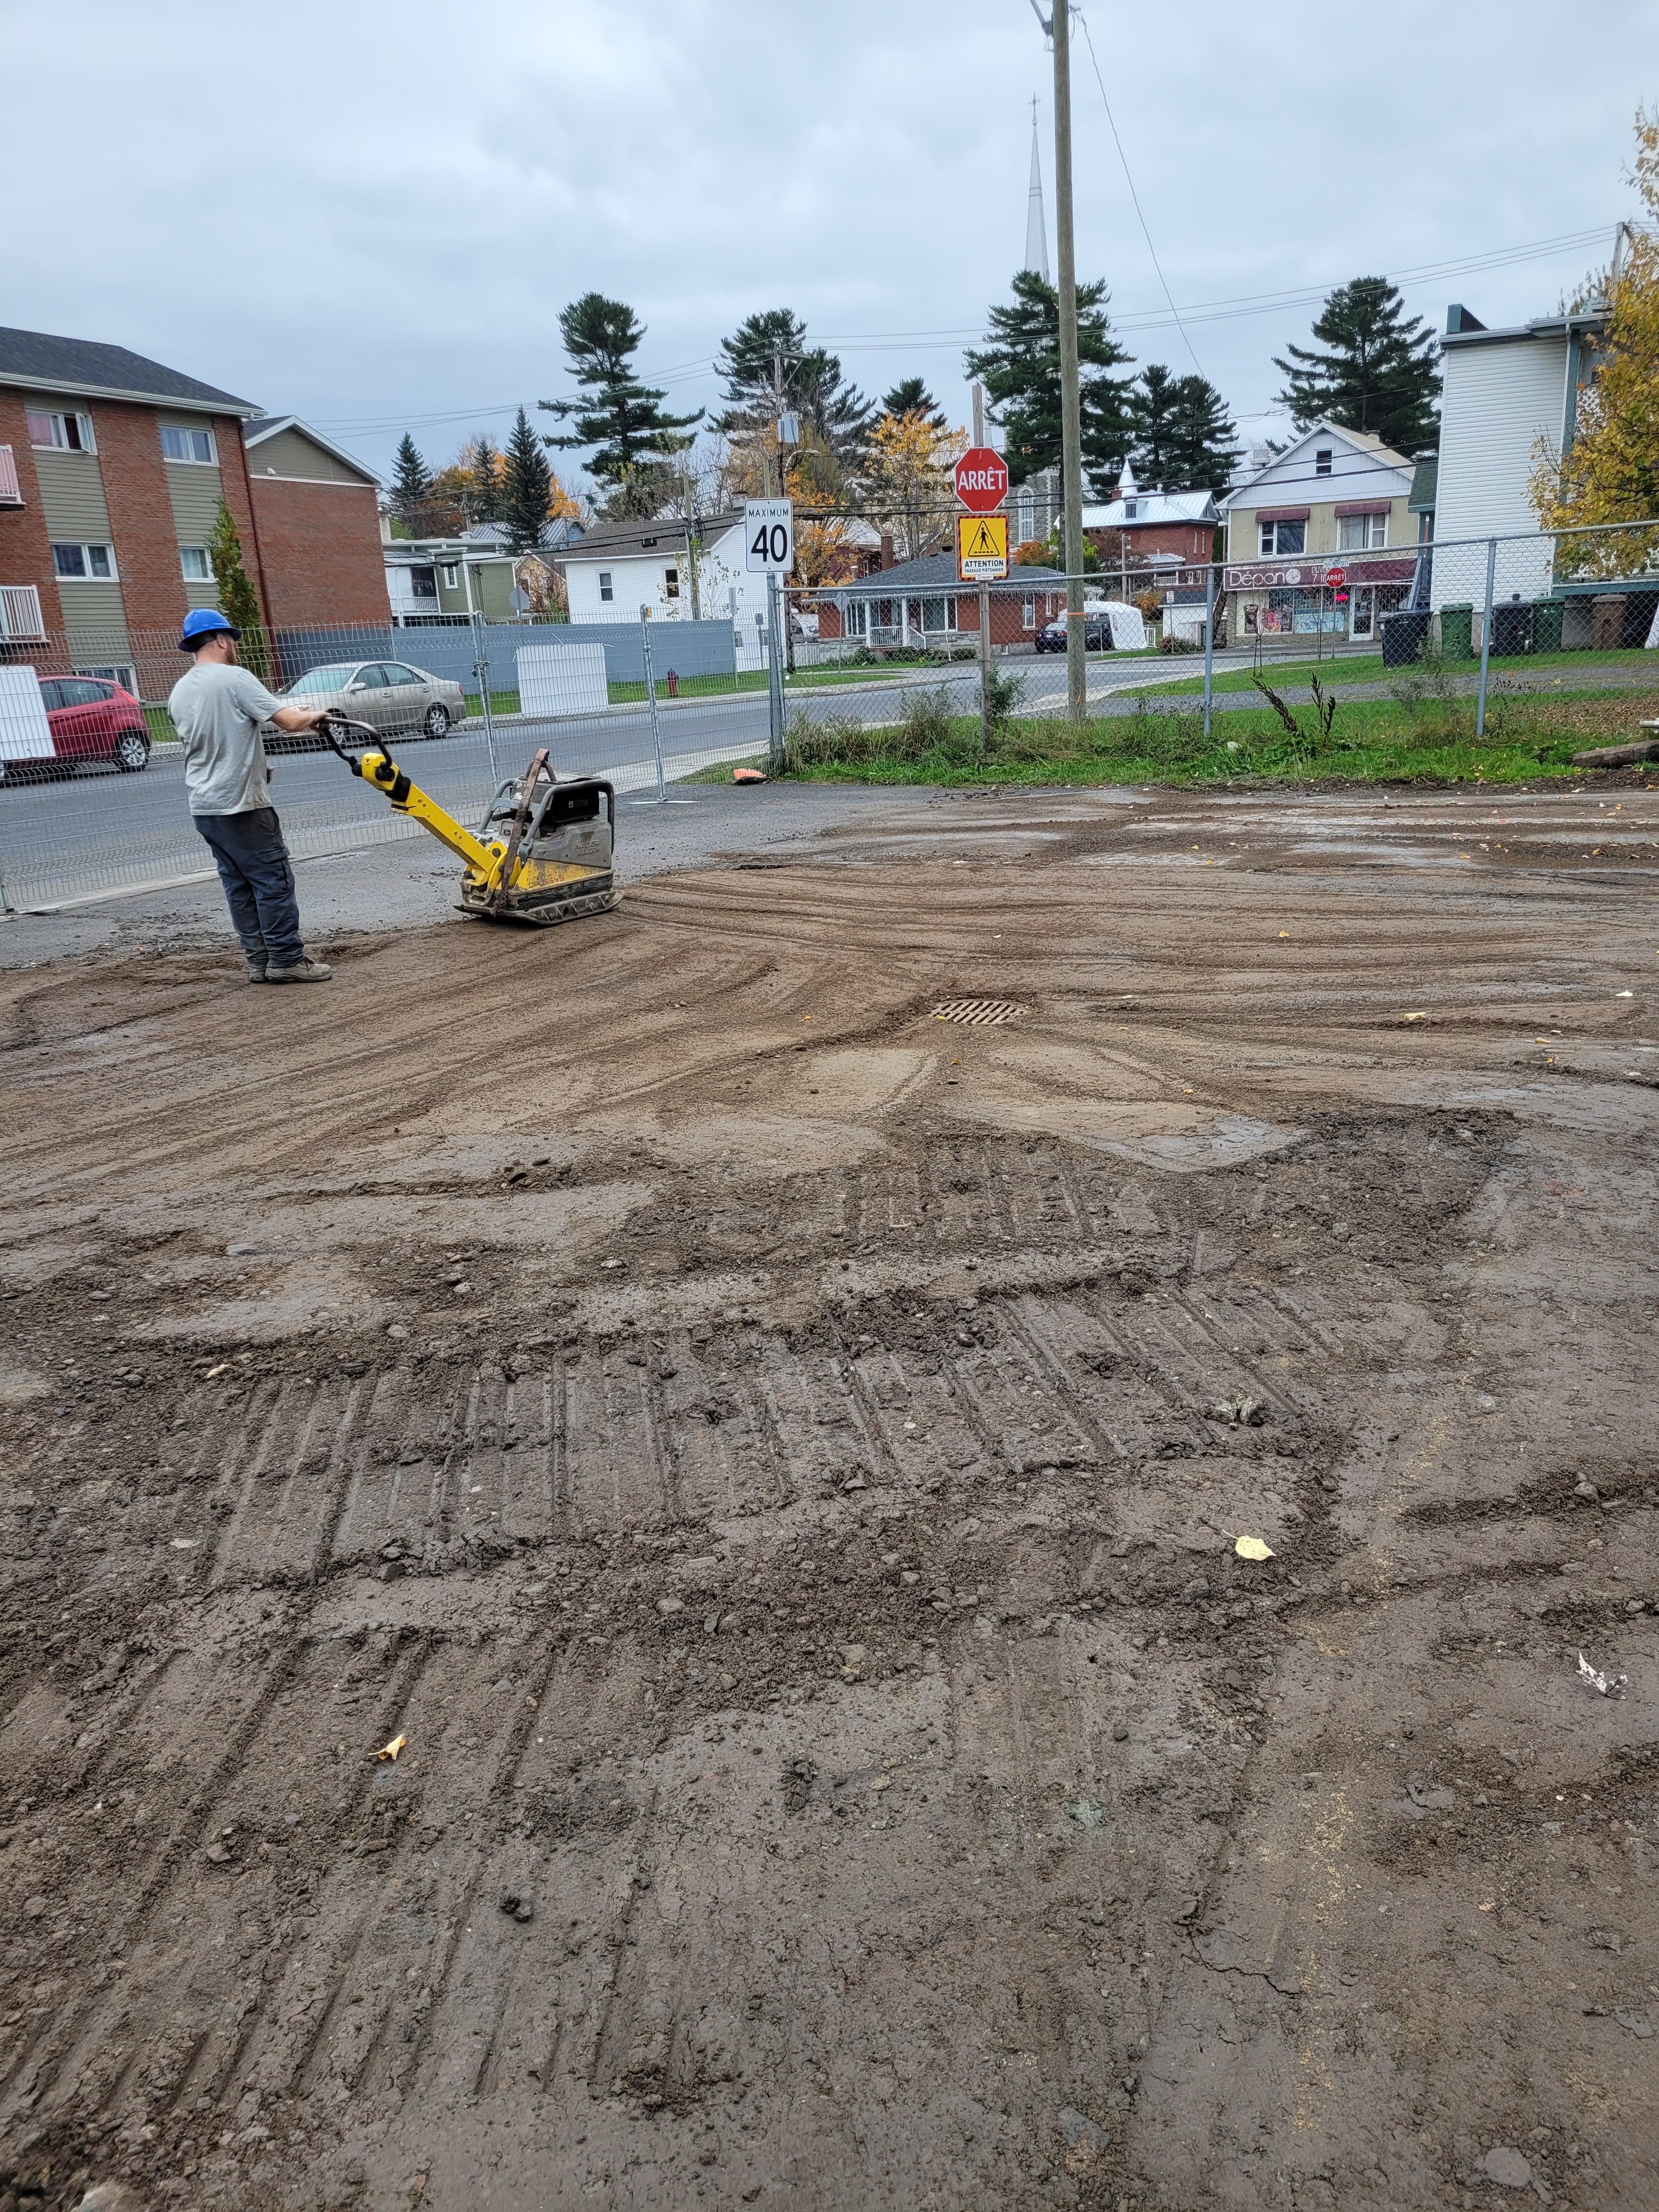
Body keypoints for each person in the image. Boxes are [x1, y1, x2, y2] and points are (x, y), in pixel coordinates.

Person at [168, 608, 332, 983]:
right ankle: (286, 960)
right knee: (273, 881)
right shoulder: (235, 678)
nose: (235, 647)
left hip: (206, 807)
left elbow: (217, 737)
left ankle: (259, 962)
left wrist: (260, 764)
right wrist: (315, 715)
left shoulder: (181, 691)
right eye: (232, 640)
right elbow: (289, 722)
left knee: (239, 886)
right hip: (241, 804)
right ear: (221, 640)